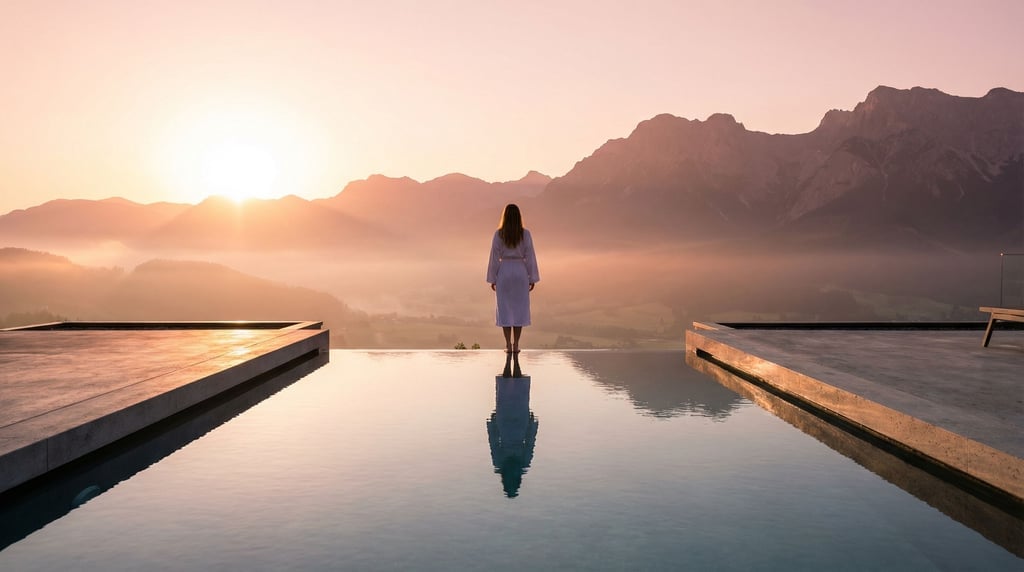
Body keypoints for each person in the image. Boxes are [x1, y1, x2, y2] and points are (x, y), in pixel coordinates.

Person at [486, 204, 540, 375]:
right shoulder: (526, 234)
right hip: (520, 271)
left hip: (504, 272)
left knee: (505, 309)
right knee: (518, 310)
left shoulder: (498, 234)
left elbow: (494, 257)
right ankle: (516, 344)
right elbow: (530, 256)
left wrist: (493, 278)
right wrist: (532, 277)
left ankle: (507, 345)